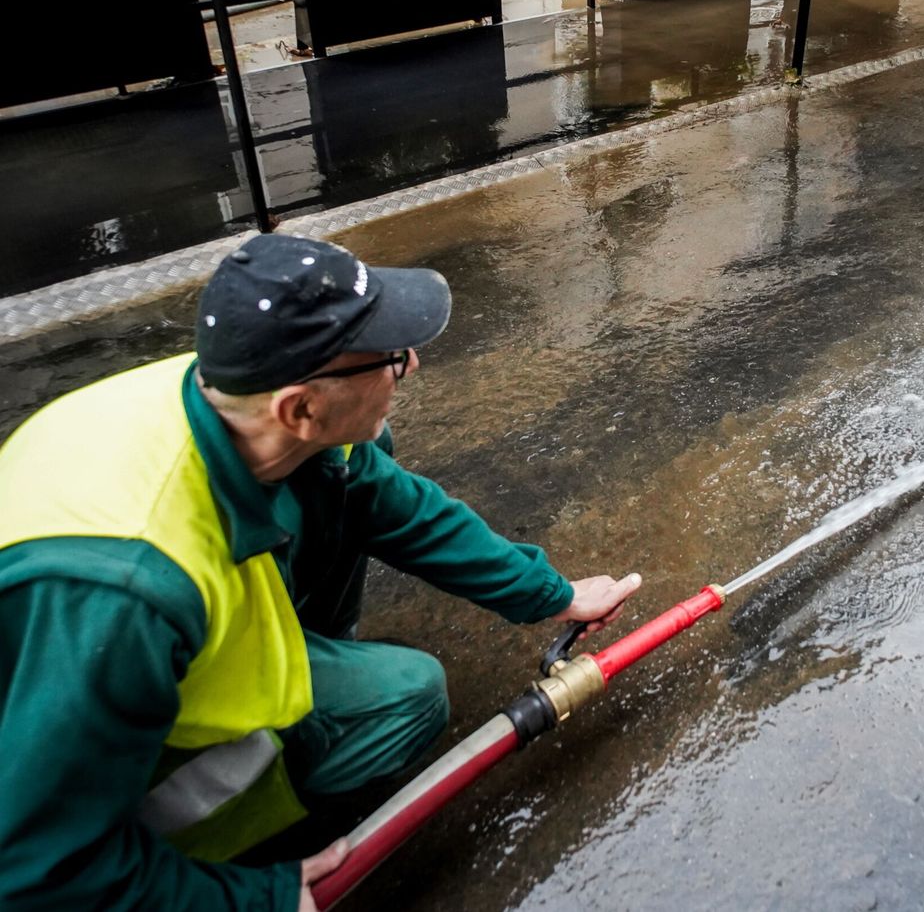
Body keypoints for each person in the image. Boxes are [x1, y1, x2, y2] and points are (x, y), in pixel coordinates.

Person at [0, 234, 641, 911]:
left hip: (118, 647)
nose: (413, 364)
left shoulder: (233, 399)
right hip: (47, 742)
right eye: (391, 358)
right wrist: (254, 898)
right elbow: (38, 870)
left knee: (362, 450)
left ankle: (304, 660)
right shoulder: (124, 594)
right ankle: (204, 838)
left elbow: (399, 508)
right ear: (300, 408)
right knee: (408, 697)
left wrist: (555, 594)